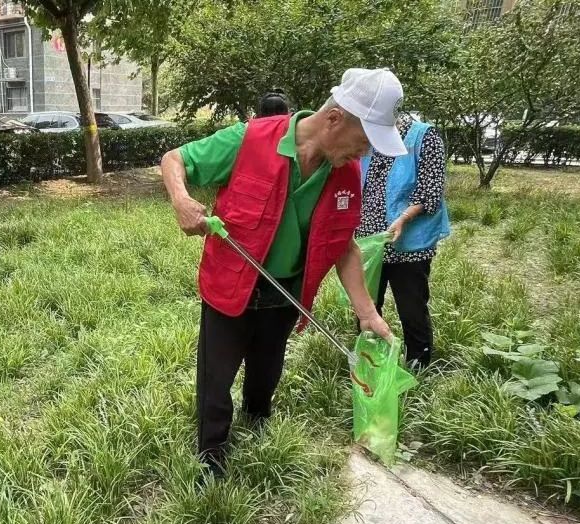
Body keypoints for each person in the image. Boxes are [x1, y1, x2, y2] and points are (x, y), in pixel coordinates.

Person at [160, 68, 407, 477]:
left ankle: (258, 429)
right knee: (216, 379)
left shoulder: (344, 173)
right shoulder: (250, 139)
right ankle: (212, 458)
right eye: (363, 142)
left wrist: (367, 312)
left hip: (285, 293)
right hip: (231, 285)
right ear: (334, 119)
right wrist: (181, 200)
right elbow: (174, 160)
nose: (363, 155)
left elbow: (343, 245)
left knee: (267, 371)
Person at [356, 113, 450, 370]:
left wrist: (404, 218)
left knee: (411, 305)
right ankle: (370, 362)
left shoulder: (423, 135)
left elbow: (431, 190)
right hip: (369, 239)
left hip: (408, 242)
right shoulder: (367, 134)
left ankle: (418, 362)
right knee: (367, 304)